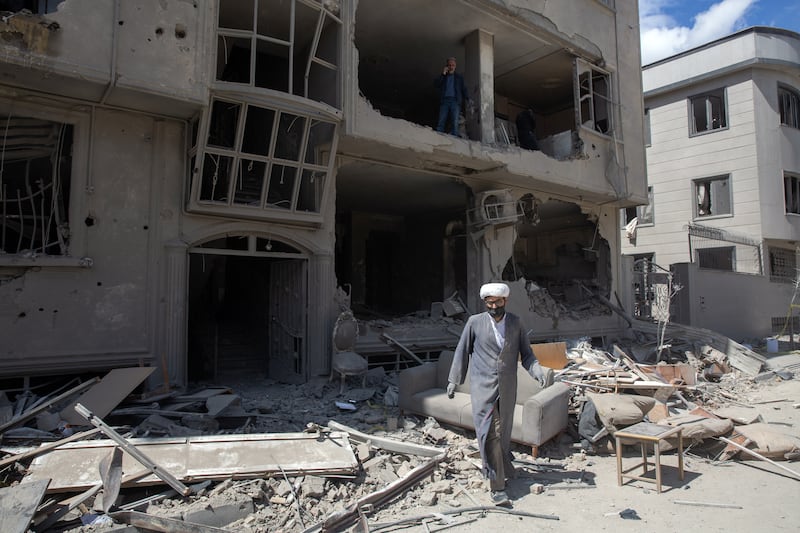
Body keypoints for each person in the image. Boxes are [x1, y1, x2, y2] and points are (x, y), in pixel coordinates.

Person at [446, 282, 551, 506]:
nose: (493, 306)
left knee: (502, 432)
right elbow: (462, 351)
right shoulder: (475, 323)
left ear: (506, 301)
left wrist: (537, 371)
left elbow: (527, 354)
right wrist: (454, 380)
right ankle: (497, 486)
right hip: (482, 389)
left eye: (498, 302)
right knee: (488, 433)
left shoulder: (515, 323)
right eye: (489, 303)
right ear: (485, 303)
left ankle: (501, 465)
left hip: (507, 388)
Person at [434, 57, 467, 136]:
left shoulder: (459, 77)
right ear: (447, 66)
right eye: (449, 65)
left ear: (455, 66)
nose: (451, 67)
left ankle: (455, 138)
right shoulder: (443, 76)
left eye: (453, 65)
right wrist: (443, 74)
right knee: (441, 120)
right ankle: (438, 136)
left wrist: (468, 98)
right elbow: (436, 84)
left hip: (455, 101)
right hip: (444, 100)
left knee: (455, 122)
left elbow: (463, 89)